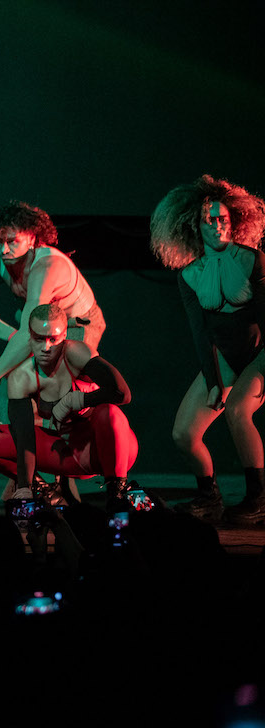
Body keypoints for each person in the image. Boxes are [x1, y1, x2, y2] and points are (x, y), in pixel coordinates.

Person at [150, 175, 265, 521]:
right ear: (194, 227)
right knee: (184, 433)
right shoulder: (189, 275)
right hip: (224, 356)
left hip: (259, 352)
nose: (217, 225)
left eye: (222, 219)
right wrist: (214, 381)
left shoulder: (253, 260)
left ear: (235, 222)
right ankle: (209, 497)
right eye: (208, 220)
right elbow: (201, 334)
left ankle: (258, 499)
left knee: (238, 410)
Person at [0, 304, 138, 511]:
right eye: (39, 339)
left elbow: (122, 393)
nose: (46, 347)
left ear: (65, 336)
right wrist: (24, 487)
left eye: (53, 339)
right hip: (70, 454)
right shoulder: (22, 377)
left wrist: (76, 400)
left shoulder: (76, 353)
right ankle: (44, 492)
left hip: (110, 449)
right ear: (29, 336)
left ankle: (118, 492)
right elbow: (24, 437)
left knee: (110, 413)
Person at [0, 201, 106, 408]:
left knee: (60, 386)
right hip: (39, 322)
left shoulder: (46, 266)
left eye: (12, 241)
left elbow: (28, 333)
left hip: (76, 322)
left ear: (31, 238)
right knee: (13, 381)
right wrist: (13, 336)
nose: (4, 249)